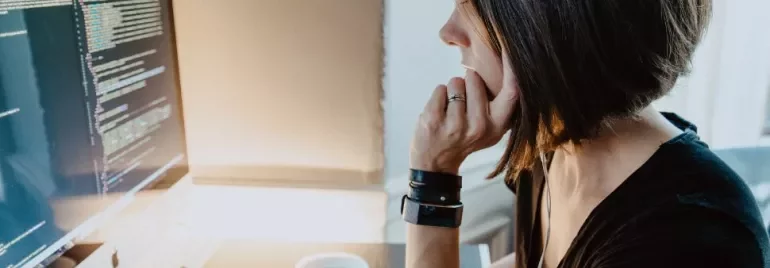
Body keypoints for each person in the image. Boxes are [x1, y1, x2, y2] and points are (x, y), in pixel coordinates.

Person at [403, 0, 770, 267]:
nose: (448, 33)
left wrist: (433, 176)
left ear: (556, 25)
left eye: (474, 4)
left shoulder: (685, 239)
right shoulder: (552, 149)